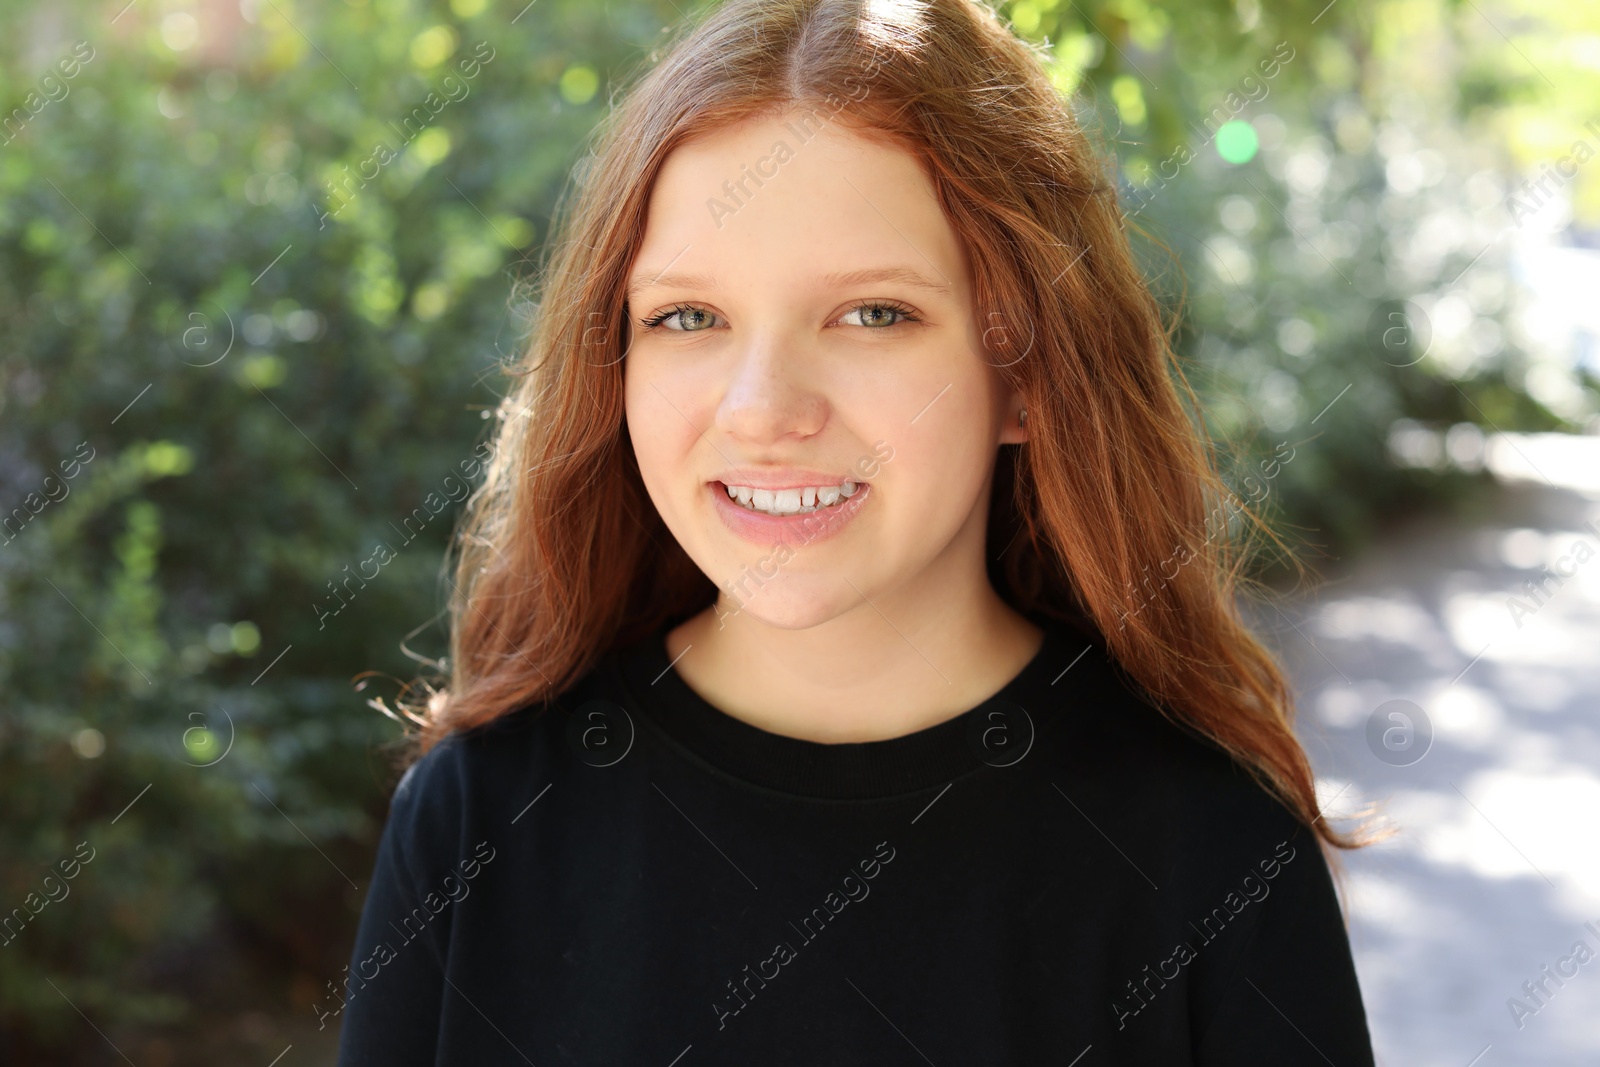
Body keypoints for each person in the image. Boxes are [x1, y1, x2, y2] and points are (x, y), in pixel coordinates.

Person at [336, 0, 1379, 1062]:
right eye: (687, 317)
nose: (762, 405)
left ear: (1024, 374)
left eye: (872, 313)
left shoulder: (1212, 856)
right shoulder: (479, 820)